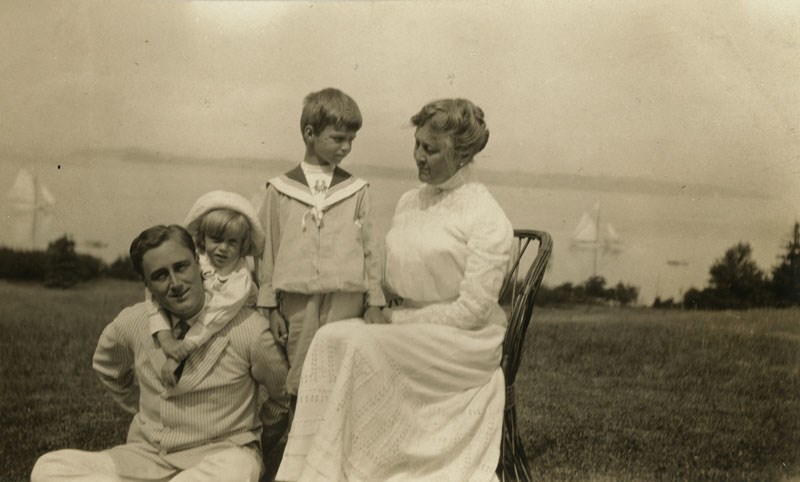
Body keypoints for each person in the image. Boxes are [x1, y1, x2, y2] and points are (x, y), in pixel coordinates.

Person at [275, 98, 514, 482]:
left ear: (462, 154)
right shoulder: (410, 201)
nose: (418, 156)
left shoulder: (486, 216)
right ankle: (317, 469)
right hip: (410, 327)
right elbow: (391, 275)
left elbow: (472, 310)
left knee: (361, 345)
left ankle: (366, 468)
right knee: (330, 337)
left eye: (430, 149)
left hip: (464, 340)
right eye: (417, 144)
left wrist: (400, 320)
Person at [31, 225, 290, 482]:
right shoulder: (134, 321)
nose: (175, 283)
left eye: (181, 267)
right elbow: (107, 366)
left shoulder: (249, 327)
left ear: (199, 263)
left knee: (236, 468)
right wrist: (143, 408)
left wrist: (252, 445)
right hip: (147, 456)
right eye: (160, 275)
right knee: (49, 467)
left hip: (221, 457)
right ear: (146, 284)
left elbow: (282, 398)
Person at [256, 87, 386, 397]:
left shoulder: (357, 189)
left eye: (351, 140)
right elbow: (267, 249)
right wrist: (269, 306)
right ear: (309, 133)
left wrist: (376, 301)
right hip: (297, 301)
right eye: (338, 138)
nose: (346, 148)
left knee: (341, 373)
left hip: (346, 299)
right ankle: (297, 439)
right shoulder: (280, 190)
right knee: (299, 374)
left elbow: (372, 250)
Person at [149, 190, 265, 387]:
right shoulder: (197, 259)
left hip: (224, 322)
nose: (222, 248)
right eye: (216, 239)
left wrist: (179, 354)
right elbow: (154, 288)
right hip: (194, 322)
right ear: (203, 237)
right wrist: (165, 337)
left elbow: (213, 318)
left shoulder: (240, 278)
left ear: (243, 245)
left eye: (232, 242)